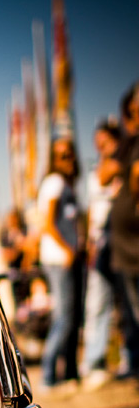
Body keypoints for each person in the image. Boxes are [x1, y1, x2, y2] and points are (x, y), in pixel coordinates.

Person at [37, 137, 83, 390]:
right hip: (58, 258)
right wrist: (67, 250)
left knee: (71, 316)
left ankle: (69, 373)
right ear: (53, 159)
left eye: (69, 153)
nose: (67, 159)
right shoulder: (54, 182)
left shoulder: (68, 184)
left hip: (67, 257)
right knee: (64, 317)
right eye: (61, 155)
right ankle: (48, 374)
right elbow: (47, 223)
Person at [81, 121, 122, 389]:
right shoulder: (98, 167)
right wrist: (89, 242)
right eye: (97, 143)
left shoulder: (119, 163)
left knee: (123, 304)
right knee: (97, 303)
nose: (100, 148)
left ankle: (125, 357)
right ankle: (93, 361)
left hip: (118, 238)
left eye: (104, 142)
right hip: (100, 240)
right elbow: (91, 209)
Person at [109, 82, 139, 378]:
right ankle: (134, 362)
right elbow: (105, 173)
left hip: (133, 242)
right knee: (131, 310)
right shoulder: (130, 144)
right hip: (126, 244)